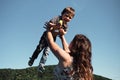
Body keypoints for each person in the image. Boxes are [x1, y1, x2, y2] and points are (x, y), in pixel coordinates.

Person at [28, 7, 75, 73]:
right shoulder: (57, 18)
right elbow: (49, 24)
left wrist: (62, 32)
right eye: (66, 16)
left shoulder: (66, 25)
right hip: (46, 36)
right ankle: (32, 58)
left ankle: (41, 65)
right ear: (62, 14)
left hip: (53, 38)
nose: (67, 18)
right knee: (39, 48)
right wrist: (56, 25)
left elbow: (65, 32)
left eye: (70, 18)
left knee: (46, 52)